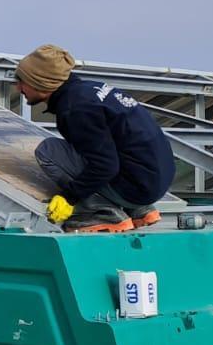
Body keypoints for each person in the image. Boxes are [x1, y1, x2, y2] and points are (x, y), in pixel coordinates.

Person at [15, 44, 176, 233]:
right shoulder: (91, 90)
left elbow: (105, 165)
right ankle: (141, 210)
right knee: (94, 149)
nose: (18, 88)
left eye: (22, 81)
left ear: (41, 82)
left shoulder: (75, 109)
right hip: (155, 180)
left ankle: (104, 213)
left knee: (48, 151)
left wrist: (69, 197)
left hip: (137, 187)